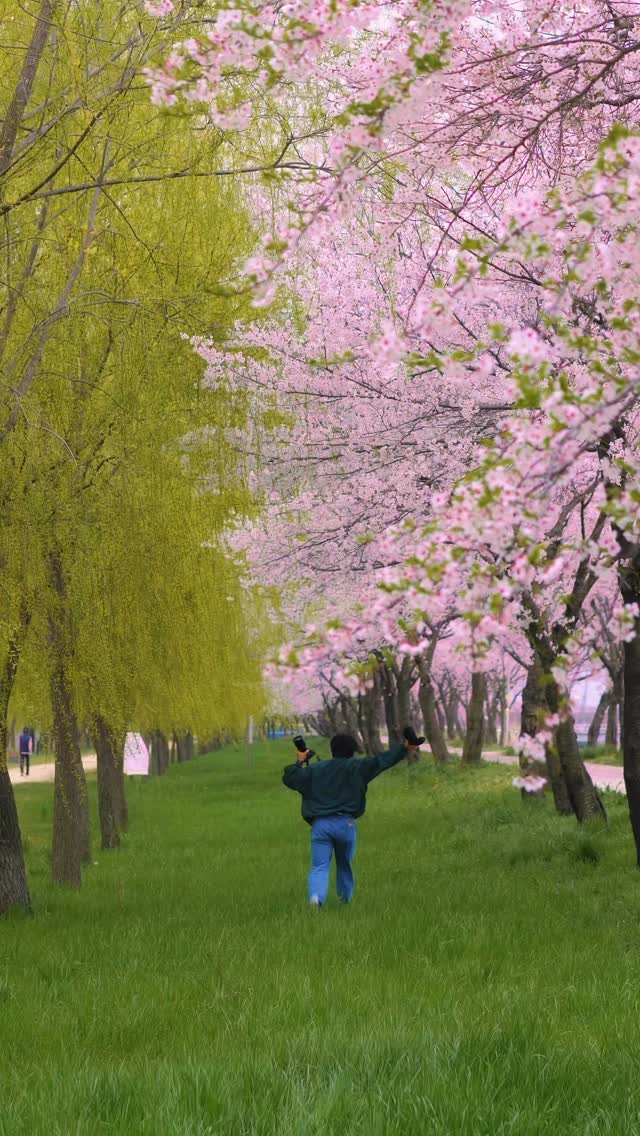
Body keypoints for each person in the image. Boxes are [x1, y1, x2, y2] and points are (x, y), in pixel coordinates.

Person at [282, 732, 421, 907]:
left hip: (320, 826)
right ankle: (345, 901)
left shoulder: (314, 770)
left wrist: (300, 761)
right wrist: (404, 748)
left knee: (319, 866)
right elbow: (382, 761)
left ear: (332, 750)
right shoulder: (358, 766)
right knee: (344, 864)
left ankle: (316, 897)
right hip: (345, 824)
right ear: (353, 751)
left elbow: (290, 778)